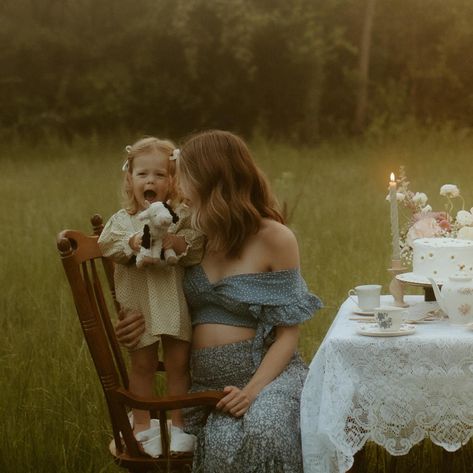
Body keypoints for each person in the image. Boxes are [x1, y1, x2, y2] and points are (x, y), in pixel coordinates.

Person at [117, 130, 322, 472]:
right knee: (223, 442)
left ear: (213, 181)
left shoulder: (275, 239)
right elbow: (149, 285)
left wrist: (252, 391)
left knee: (266, 429)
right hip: (205, 390)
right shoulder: (190, 238)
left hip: (267, 378)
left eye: (186, 178)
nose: (178, 188)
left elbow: (288, 333)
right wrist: (130, 322)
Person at [98, 136, 204, 455]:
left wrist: (176, 242)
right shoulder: (123, 219)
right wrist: (132, 243)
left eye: (160, 175)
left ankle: (179, 425)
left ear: (172, 181)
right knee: (142, 364)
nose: (151, 180)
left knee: (178, 365)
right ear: (129, 179)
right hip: (138, 307)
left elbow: (195, 247)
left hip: (173, 303)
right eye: (142, 174)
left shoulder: (180, 216)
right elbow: (107, 244)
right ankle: (142, 424)